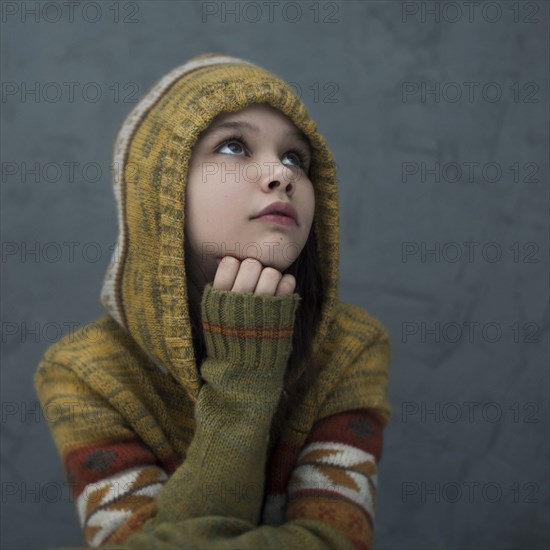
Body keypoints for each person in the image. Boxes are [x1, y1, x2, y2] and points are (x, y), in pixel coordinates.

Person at [33, 52, 392, 550]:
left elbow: (334, 541)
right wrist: (244, 378)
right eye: (233, 146)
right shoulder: (86, 371)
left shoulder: (349, 347)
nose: (281, 174)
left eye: (296, 158)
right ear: (161, 190)